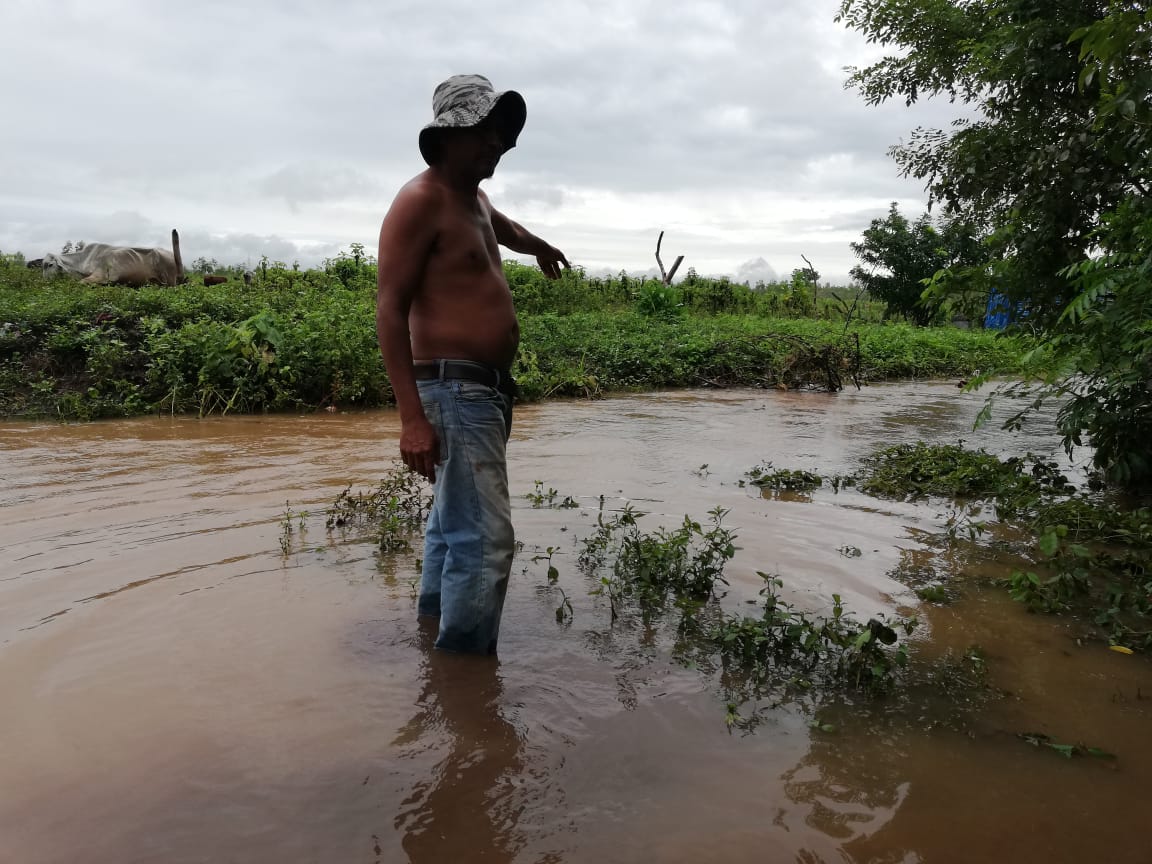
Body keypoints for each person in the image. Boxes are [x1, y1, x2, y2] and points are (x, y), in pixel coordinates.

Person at [376, 74, 569, 655]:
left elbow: (503, 229)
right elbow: (390, 311)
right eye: (485, 132)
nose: (498, 145)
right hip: (453, 392)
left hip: (482, 394)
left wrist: (537, 245)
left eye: (501, 134)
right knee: (485, 541)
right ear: (449, 136)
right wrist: (411, 419)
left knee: (451, 529)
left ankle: (434, 635)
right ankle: (465, 680)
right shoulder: (420, 201)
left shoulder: (474, 199)